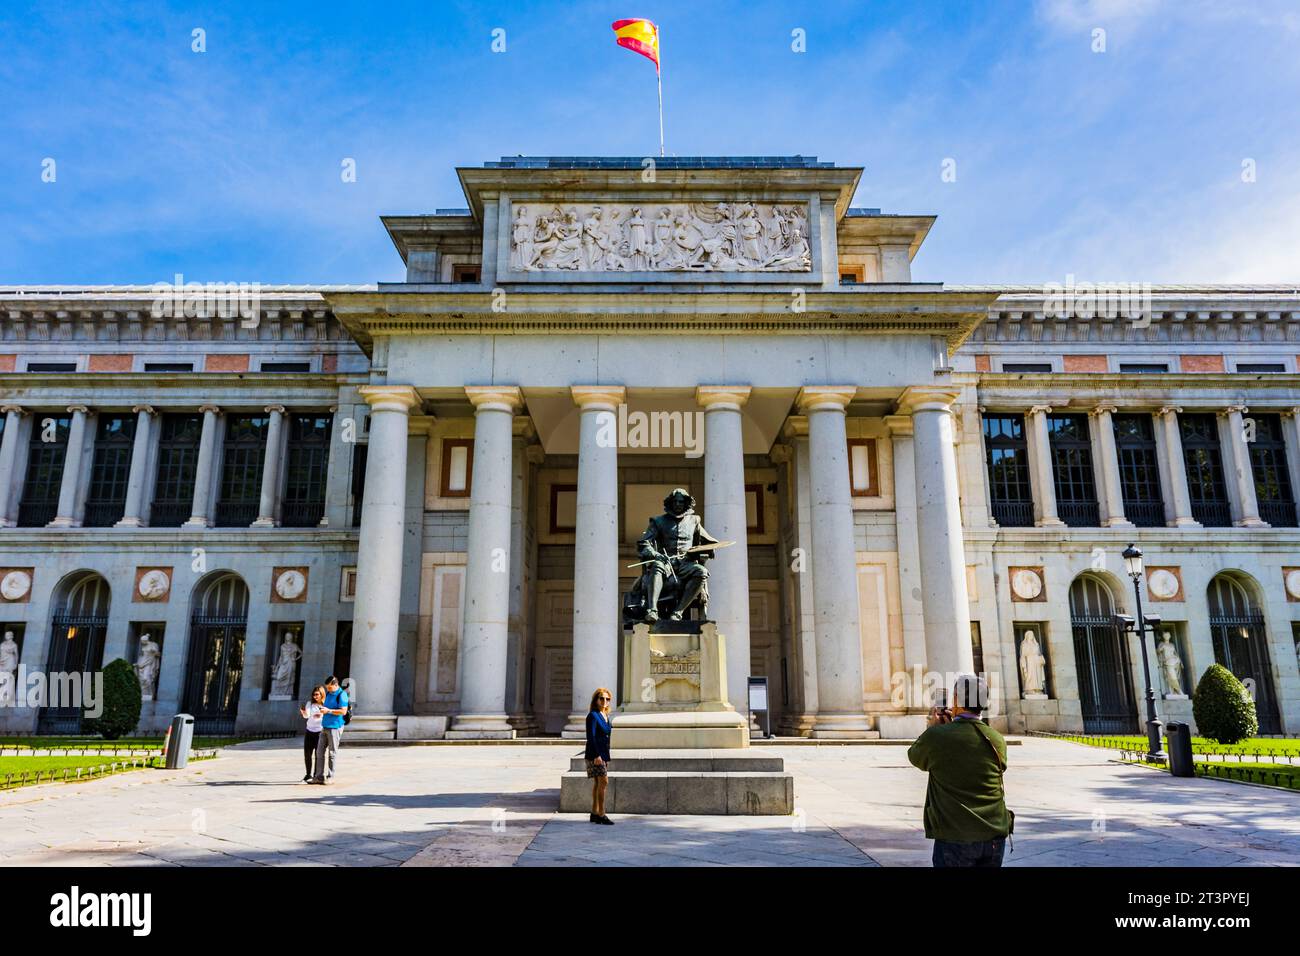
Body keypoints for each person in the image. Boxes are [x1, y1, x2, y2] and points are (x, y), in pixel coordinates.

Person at [906, 674, 1013, 867]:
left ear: (956, 700)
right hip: (994, 834)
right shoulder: (997, 738)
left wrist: (933, 728)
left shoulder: (937, 737)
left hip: (955, 836)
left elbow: (915, 757)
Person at [311, 675, 348, 785]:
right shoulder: (328, 694)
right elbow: (325, 708)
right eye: (327, 688)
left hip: (335, 727)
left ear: (336, 685)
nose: (328, 690)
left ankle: (330, 776)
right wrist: (321, 712)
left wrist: (329, 711)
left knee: (332, 753)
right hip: (325, 726)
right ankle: (319, 776)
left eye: (330, 688)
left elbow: (343, 711)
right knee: (319, 752)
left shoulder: (342, 695)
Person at [585, 687, 614, 825]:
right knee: (604, 782)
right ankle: (601, 814)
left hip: (603, 755)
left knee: (598, 783)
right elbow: (591, 737)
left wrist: (605, 756)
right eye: (601, 698)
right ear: (596, 700)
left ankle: (594, 813)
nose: (604, 701)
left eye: (607, 699)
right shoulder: (593, 715)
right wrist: (597, 755)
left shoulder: (606, 716)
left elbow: (606, 737)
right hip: (594, 754)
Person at [299, 685, 326, 783]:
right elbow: (307, 715)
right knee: (307, 754)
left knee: (317, 754)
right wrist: (303, 713)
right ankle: (308, 774)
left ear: (322, 694)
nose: (315, 696)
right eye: (313, 694)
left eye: (317, 694)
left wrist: (322, 714)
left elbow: (328, 715)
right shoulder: (310, 704)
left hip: (320, 732)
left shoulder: (325, 704)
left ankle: (316, 774)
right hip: (309, 731)